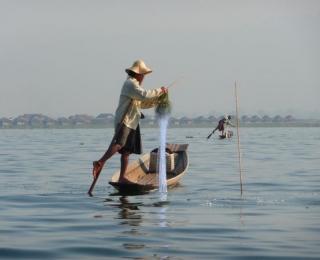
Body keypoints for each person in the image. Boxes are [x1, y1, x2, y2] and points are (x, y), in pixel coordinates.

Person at [92, 60, 167, 183]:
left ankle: (122, 177)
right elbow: (143, 95)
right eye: (142, 74)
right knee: (119, 144)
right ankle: (99, 162)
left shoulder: (135, 86)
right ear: (138, 74)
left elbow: (143, 103)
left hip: (133, 121)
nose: (143, 77)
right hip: (125, 120)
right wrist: (159, 90)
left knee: (126, 151)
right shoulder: (130, 84)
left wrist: (158, 99)